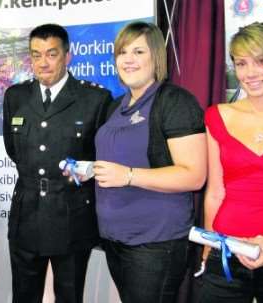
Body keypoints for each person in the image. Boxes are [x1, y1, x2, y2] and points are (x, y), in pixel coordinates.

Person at [93, 21, 207, 303]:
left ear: (156, 57)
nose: (128, 59)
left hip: (155, 243)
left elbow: (194, 176)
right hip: (116, 240)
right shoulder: (114, 106)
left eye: (138, 52)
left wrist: (129, 175)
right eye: (122, 52)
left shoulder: (174, 102)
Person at [3, 23, 114, 303]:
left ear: (68, 55)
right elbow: (15, 151)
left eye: (51, 54)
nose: (43, 63)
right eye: (36, 55)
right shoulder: (15, 97)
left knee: (69, 295)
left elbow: (102, 158)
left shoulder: (95, 99)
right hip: (26, 214)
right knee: (23, 296)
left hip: (71, 214)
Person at [199, 22, 263, 303]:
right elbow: (215, 192)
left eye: (260, 62)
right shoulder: (216, 116)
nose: (250, 73)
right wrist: (209, 249)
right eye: (241, 63)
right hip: (226, 252)